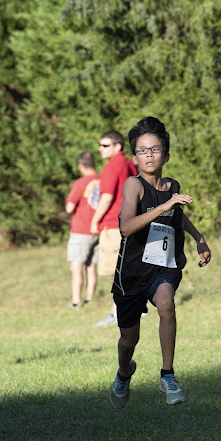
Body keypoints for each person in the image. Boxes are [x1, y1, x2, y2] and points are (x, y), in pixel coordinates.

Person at [109, 116, 211, 409]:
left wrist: (198, 237)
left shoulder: (172, 186)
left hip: (163, 266)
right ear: (134, 157)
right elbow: (126, 227)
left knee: (166, 303)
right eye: (143, 150)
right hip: (130, 274)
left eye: (155, 149)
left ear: (166, 153)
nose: (149, 155)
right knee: (129, 341)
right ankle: (124, 373)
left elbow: (177, 215)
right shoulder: (133, 186)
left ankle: (167, 375)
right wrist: (162, 207)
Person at [91, 130, 137, 327]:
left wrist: (94, 220)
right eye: (101, 145)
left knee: (116, 271)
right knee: (127, 268)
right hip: (131, 221)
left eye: (105, 145)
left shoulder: (111, 166)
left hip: (112, 224)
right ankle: (131, 308)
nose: (100, 149)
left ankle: (117, 312)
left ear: (117, 146)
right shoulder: (129, 164)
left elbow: (107, 196)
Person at [64, 151, 100, 310]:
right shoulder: (102, 180)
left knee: (76, 267)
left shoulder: (81, 182)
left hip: (81, 230)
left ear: (80, 166)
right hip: (99, 229)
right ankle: (89, 299)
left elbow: (69, 207)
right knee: (91, 267)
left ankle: (76, 302)